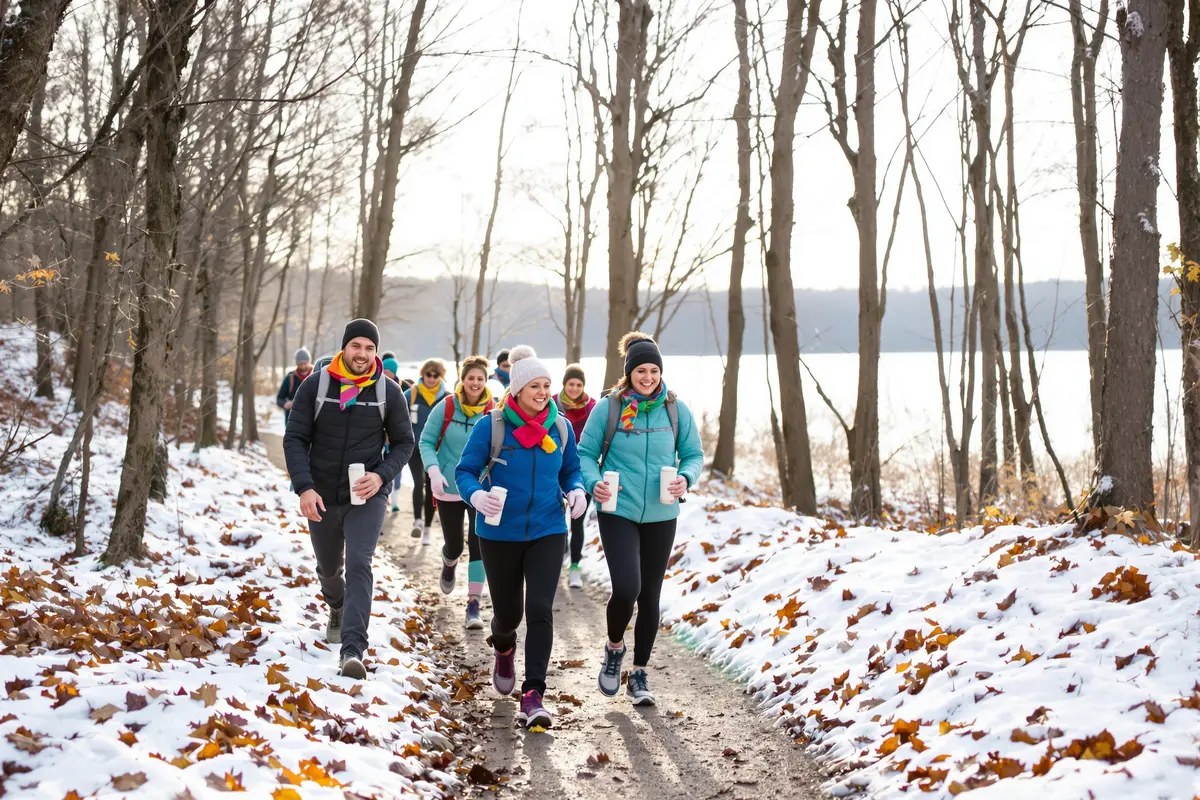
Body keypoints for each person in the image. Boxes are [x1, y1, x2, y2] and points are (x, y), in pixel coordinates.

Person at [455, 345, 587, 730]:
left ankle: (533, 694)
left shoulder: (560, 427)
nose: (543, 392)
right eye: (535, 386)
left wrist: (577, 490)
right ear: (517, 389)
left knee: (541, 609)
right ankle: (504, 647)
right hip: (499, 532)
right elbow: (465, 471)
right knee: (509, 615)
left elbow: (571, 470)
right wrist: (476, 496)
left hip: (548, 528)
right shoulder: (492, 426)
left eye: (547, 385)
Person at [283, 319, 415, 680]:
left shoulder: (388, 391)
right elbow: (295, 438)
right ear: (344, 348)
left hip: (366, 493)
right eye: (356, 345)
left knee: (359, 563)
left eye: (370, 348)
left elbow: (404, 442)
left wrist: (381, 475)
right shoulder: (317, 385)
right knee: (329, 569)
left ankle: (352, 650)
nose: (363, 354)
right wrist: (304, 487)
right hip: (322, 492)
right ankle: (336, 605)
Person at [577, 332, 703, 707]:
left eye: (654, 371)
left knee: (650, 596)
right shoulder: (609, 408)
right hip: (619, 508)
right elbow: (585, 454)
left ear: (660, 372)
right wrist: (594, 483)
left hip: (662, 512)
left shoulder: (676, 410)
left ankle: (639, 674)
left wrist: (686, 477)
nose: (648, 377)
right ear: (629, 373)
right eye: (640, 371)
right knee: (626, 588)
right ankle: (614, 647)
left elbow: (693, 454)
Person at [420, 355, 495, 630]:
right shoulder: (447, 406)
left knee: (479, 544)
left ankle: (473, 604)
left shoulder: (493, 410)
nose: (475, 383)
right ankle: (449, 561)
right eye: (471, 378)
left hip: (479, 487)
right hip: (448, 485)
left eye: (480, 379)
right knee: (455, 545)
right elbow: (426, 441)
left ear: (486, 382)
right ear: (462, 380)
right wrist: (434, 471)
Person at [554, 363, 597, 589]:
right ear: (564, 384)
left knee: (577, 519)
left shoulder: (592, 407)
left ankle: (575, 568)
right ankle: (559, 554)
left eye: (579, 385)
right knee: (557, 516)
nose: (574, 388)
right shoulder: (552, 403)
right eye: (571, 384)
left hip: (582, 471)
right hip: (554, 469)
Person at [403, 359, 448, 542]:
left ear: (440, 376)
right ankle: (417, 521)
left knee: (431, 488)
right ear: (423, 374)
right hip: (414, 447)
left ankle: (428, 528)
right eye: (428, 374)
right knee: (418, 482)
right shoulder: (411, 394)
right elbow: (398, 418)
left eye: (435, 375)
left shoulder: (446, 398)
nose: (431, 378)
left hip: (436, 450)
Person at [276, 348, 314, 425]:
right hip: (293, 421)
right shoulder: (290, 378)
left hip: (312, 420)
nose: (303, 366)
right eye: (300, 364)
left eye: (305, 363)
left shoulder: (315, 375)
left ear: (309, 362)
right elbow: (279, 398)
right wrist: (285, 404)